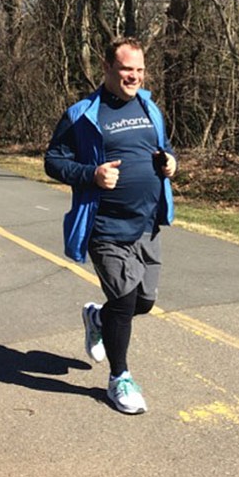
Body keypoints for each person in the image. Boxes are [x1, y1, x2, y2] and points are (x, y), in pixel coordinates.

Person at [44, 36, 177, 414]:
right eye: (125, 70)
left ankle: (96, 318)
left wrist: (171, 162)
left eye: (139, 69)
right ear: (106, 68)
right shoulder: (83, 114)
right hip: (106, 227)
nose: (133, 76)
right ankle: (120, 379)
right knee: (123, 301)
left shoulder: (149, 107)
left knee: (145, 303)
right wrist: (92, 174)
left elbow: (164, 148)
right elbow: (54, 160)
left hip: (147, 224)